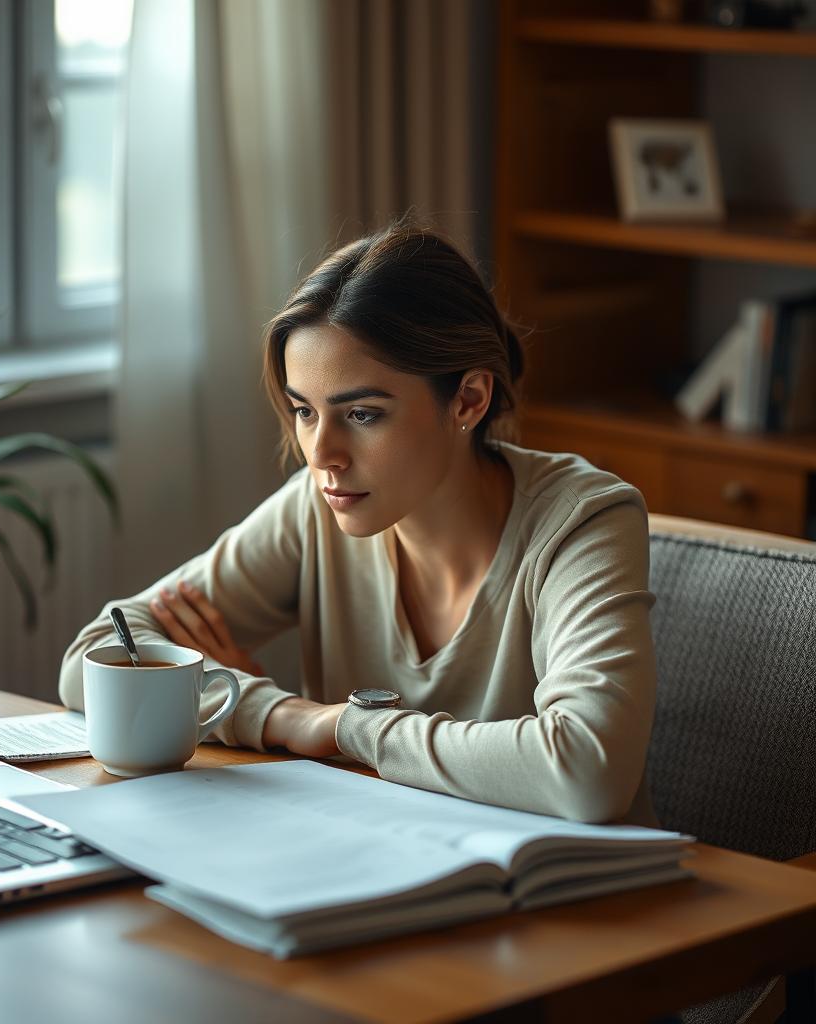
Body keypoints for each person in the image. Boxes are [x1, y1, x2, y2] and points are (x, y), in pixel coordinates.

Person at [59, 218, 659, 826]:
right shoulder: (317, 506)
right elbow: (94, 656)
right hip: (378, 879)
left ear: (468, 400)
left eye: (364, 414)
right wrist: (279, 715)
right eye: (304, 411)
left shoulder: (583, 520)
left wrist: (345, 727)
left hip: (580, 906)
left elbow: (588, 771)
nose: (321, 456)